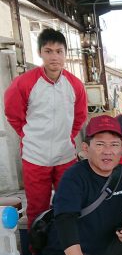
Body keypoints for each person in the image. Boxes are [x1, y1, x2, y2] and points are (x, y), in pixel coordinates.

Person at [42, 115, 122, 255]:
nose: (108, 151)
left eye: (114, 145)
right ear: (86, 148)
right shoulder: (73, 177)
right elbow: (65, 221)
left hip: (107, 251)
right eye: (100, 144)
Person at [4, 28, 87, 229]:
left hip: (65, 155)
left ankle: (67, 250)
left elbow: (80, 117)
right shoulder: (23, 83)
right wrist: (29, 136)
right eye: (48, 51)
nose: (54, 57)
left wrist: (67, 137)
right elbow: (13, 114)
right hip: (35, 156)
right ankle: (37, 253)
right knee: (37, 208)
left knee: (68, 204)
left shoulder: (75, 85)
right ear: (40, 53)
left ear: (65, 54)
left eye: (59, 51)